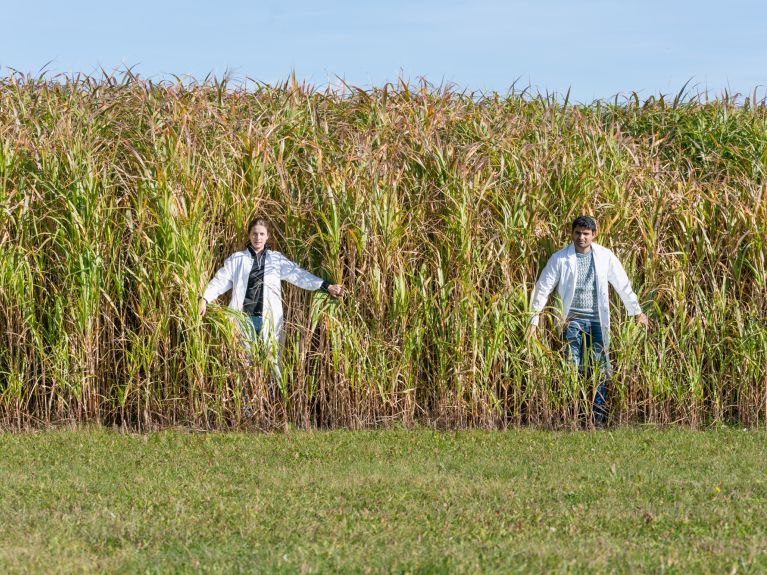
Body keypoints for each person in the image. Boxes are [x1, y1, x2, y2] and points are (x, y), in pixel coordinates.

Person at [527, 216, 648, 426]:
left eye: (586, 234)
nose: (581, 237)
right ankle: (573, 416)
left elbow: (622, 283)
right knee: (572, 368)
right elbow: (542, 288)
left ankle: (597, 418)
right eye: (577, 233)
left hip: (596, 322)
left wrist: (636, 311)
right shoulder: (560, 259)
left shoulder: (605, 256)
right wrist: (533, 319)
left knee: (599, 368)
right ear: (571, 233)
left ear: (594, 234)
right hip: (571, 321)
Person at [199, 217, 343, 393]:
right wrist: (205, 298)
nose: (257, 237)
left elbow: (299, 275)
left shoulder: (276, 260)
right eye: (254, 234)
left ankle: (271, 407)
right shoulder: (237, 260)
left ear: (267, 236)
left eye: (261, 234)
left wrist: (326, 285)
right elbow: (220, 281)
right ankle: (247, 410)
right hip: (242, 320)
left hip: (270, 319)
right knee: (244, 365)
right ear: (249, 235)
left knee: (272, 362)